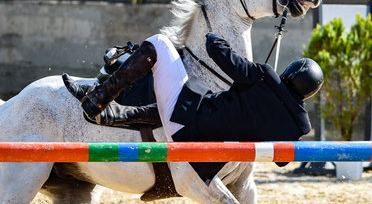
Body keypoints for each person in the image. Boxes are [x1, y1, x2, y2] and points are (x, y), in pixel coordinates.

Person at [62, 33, 322, 178]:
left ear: (289, 72)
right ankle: (111, 115)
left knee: (161, 44)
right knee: (194, 94)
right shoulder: (298, 124)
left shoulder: (265, 76)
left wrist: (212, 34)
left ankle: (97, 100)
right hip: (206, 159)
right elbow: (281, 162)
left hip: (185, 129)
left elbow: (216, 50)